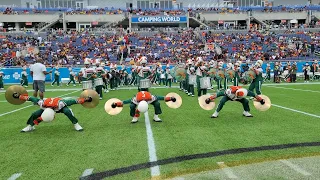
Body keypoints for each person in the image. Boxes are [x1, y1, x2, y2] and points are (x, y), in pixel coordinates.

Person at [12, 92, 92, 132]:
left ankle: (76, 124)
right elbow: (30, 98)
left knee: (67, 111)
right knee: (35, 114)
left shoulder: (61, 103)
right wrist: (18, 96)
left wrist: (86, 99)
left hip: (60, 108)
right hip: (47, 108)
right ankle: (31, 126)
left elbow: (75, 101)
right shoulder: (42, 103)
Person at [110, 91, 176, 123]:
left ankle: (156, 117)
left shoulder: (151, 98)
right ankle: (134, 117)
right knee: (132, 105)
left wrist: (170, 98)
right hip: (139, 101)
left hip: (148, 99)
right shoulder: (136, 99)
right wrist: (115, 104)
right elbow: (124, 102)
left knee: (157, 104)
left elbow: (161, 97)